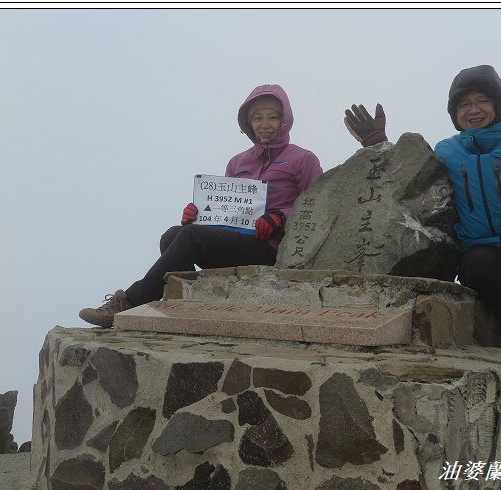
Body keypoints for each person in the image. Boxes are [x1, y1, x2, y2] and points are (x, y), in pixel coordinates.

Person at [344, 65, 501, 358]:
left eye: (482, 100)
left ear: (497, 104)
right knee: (473, 263)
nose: (474, 110)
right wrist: (377, 145)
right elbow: (411, 181)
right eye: (464, 104)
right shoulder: (447, 152)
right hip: (488, 258)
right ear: (454, 112)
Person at [79, 84, 323, 327]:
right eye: (257, 118)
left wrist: (281, 216)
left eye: (272, 116)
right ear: (249, 124)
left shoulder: (303, 159)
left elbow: (320, 205)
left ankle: (130, 301)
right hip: (236, 241)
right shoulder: (238, 162)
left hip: (271, 248)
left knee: (190, 238)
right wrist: (198, 216)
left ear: (285, 120)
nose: (265, 124)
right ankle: (185, 305)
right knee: (172, 235)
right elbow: (227, 208)